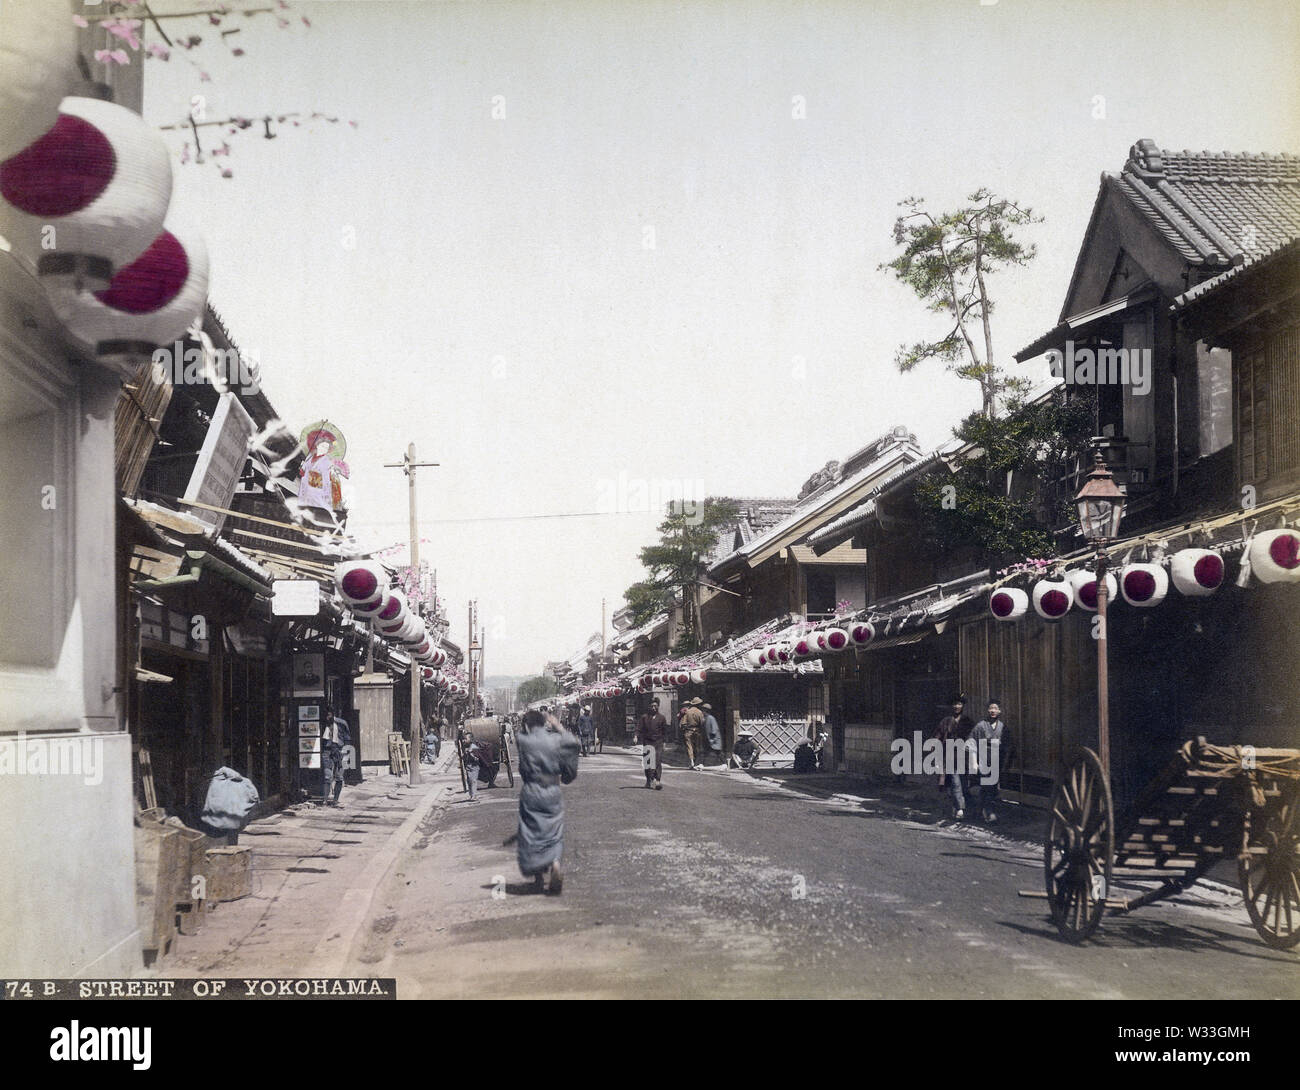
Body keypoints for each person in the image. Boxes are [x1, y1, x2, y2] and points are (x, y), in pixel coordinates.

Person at [515, 708, 580, 894]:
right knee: (554, 831)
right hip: (552, 790)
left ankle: (538, 877)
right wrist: (558, 726)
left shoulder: (523, 740)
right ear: (544, 723)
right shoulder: (556, 740)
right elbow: (573, 743)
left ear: (527, 726)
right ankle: (556, 864)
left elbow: (521, 753)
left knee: (531, 833)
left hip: (531, 791)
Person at [967, 700, 1014, 824]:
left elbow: (1009, 746)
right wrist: (973, 762)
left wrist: (1006, 763)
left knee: (990, 788)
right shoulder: (981, 726)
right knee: (988, 786)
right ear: (987, 710)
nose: (993, 710)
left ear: (1000, 711)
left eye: (995, 708)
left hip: (997, 761)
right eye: (991, 708)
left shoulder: (1003, 727)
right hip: (983, 760)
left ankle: (981, 810)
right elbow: (970, 743)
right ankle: (989, 812)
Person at [636, 698, 668, 789]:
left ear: (658, 706)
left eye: (655, 706)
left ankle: (657, 781)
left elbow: (664, 731)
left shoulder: (662, 718)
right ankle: (648, 780)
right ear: (649, 707)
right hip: (647, 741)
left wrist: (665, 742)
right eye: (652, 706)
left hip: (658, 742)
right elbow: (639, 728)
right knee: (648, 762)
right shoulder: (644, 717)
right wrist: (636, 736)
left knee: (657, 760)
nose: (654, 708)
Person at [320, 708, 349, 806]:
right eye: (326, 716)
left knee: (339, 777)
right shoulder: (323, 724)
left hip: (340, 750)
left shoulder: (342, 723)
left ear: (333, 715)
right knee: (327, 776)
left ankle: (335, 799)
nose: (327, 718)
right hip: (327, 751)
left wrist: (345, 753)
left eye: (329, 715)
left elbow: (347, 739)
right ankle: (325, 800)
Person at [680, 697, 706, 770]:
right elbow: (702, 723)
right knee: (697, 746)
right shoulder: (700, 712)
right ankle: (697, 762)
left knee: (689, 747)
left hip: (688, 731)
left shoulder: (687, 712)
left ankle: (691, 762)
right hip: (697, 731)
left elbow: (683, 723)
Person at [460, 727, 483, 801]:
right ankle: (471, 794)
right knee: (469, 780)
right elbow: (463, 756)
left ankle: (474, 795)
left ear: (471, 739)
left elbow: (477, 758)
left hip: (474, 766)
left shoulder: (474, 747)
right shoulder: (465, 747)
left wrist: (471, 754)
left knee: (473, 780)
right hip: (468, 766)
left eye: (466, 739)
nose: (464, 740)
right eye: (464, 739)